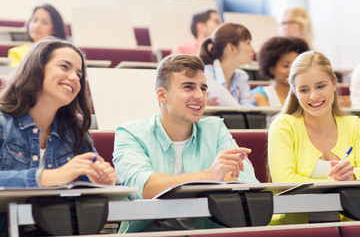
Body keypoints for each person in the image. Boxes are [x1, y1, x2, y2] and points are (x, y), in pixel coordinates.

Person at [113, 54, 258, 233]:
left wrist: (214, 177)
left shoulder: (216, 128)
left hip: (206, 232)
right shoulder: (130, 134)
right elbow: (143, 188)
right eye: (188, 87)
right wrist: (211, 175)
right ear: (162, 95)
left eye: (203, 88)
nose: (200, 96)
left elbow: (245, 180)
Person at [0, 37, 117, 236]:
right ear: (36, 68)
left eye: (79, 75)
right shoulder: (3, 122)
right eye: (65, 67)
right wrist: (49, 177)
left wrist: (103, 181)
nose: (74, 77)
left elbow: (87, 184)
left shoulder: (75, 130)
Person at [268, 51, 360, 224]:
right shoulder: (283, 126)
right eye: (304, 89)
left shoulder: (354, 125)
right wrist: (335, 183)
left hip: (351, 223)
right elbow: (284, 182)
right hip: (297, 227)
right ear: (294, 91)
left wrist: (352, 177)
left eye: (320, 86)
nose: (313, 96)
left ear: (334, 83)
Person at [199, 22, 256, 107]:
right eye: (248, 43)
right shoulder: (205, 75)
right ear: (231, 48)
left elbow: (249, 107)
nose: (253, 50)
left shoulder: (242, 76)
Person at [252, 36, 309, 107]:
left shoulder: (308, 94)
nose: (292, 70)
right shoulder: (260, 95)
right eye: (286, 66)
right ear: (271, 69)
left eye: (296, 65)